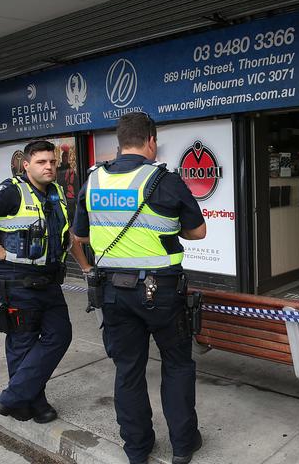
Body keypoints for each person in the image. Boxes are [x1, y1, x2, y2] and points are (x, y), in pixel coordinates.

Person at [72, 112, 206, 464]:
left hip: (113, 293)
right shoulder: (165, 179)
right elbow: (198, 232)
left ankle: (137, 448)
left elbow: (81, 235)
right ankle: (182, 445)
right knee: (177, 365)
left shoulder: (93, 181)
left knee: (128, 370)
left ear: (119, 142)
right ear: (151, 141)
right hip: (161, 292)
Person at [0, 140, 90, 424]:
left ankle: (13, 397)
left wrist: (84, 266)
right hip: (17, 281)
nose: (49, 167)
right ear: (26, 164)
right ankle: (31, 404)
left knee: (60, 335)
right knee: (22, 343)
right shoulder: (12, 191)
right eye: (41, 162)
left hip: (48, 282)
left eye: (52, 162)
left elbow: (66, 235)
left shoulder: (56, 192)